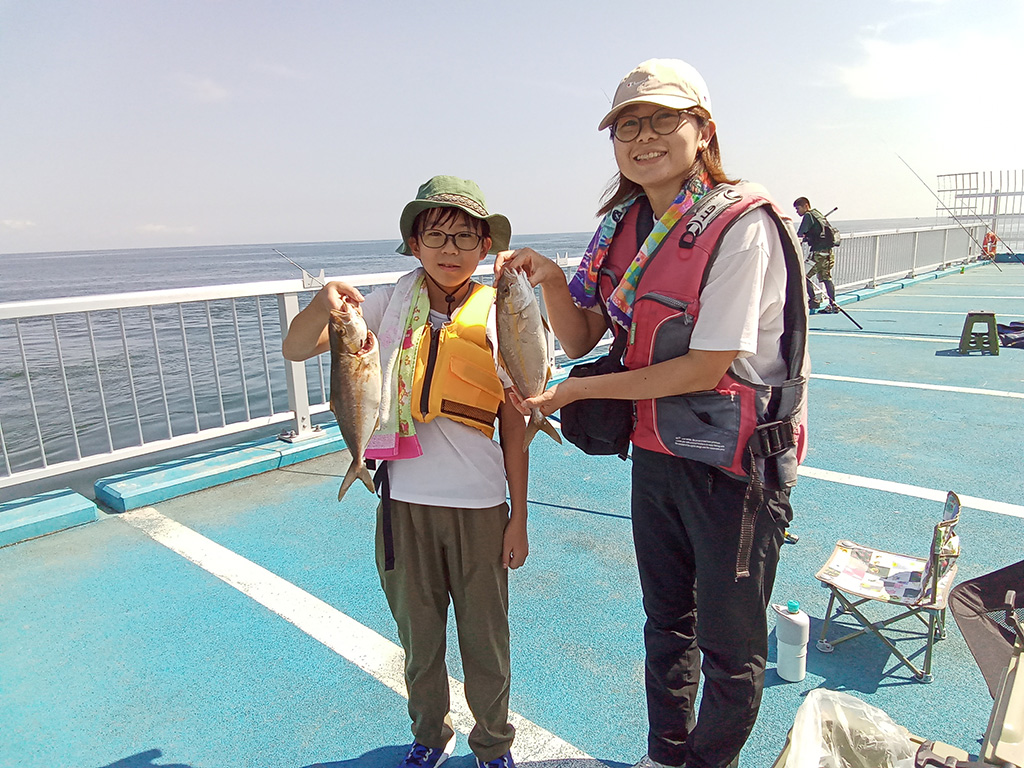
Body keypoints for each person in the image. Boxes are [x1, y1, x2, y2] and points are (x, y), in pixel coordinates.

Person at [496, 59, 809, 768]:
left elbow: (706, 366)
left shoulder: (741, 224)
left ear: (703, 130)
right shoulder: (620, 227)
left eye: (664, 120)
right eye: (627, 126)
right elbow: (579, 336)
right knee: (666, 623)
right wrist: (548, 278)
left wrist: (574, 393)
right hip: (661, 457)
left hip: (735, 468)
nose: (643, 138)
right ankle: (667, 756)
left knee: (733, 648)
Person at [283, 176, 529, 768]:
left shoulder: (502, 311)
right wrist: (322, 303)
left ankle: (493, 746)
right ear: (414, 244)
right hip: (402, 503)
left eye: (466, 238)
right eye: (437, 236)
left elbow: (517, 426)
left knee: (486, 644)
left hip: (480, 507)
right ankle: (428, 737)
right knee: (420, 641)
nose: (451, 250)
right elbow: (297, 348)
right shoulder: (386, 305)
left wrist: (518, 517)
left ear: (485, 248)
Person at [794, 197, 840, 314]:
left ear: (805, 206)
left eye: (798, 208)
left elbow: (800, 233)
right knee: (826, 279)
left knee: (802, 276)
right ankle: (833, 305)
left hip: (817, 254)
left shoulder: (808, 216)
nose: (797, 211)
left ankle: (813, 300)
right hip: (828, 254)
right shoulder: (818, 214)